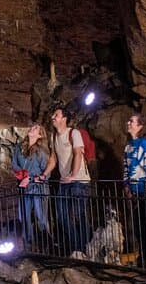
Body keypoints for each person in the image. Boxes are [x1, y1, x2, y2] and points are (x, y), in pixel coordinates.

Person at [45, 106, 92, 253]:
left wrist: (73, 175)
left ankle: (84, 248)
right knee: (61, 216)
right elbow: (53, 159)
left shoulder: (74, 133)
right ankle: (77, 248)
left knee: (79, 215)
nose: (53, 117)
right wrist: (44, 174)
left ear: (64, 119)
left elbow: (78, 154)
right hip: (65, 181)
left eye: (56, 115)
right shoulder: (53, 137)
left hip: (79, 181)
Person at [123, 113, 146, 270]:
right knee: (139, 227)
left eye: (132, 121)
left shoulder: (145, 144)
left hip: (144, 189)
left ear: (140, 126)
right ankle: (144, 259)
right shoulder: (129, 146)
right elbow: (126, 167)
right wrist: (127, 185)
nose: (128, 123)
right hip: (136, 190)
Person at [12, 123, 49, 245]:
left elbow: (46, 173)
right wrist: (22, 174)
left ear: (39, 135)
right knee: (23, 217)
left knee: (41, 217)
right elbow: (14, 164)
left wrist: (32, 178)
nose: (31, 128)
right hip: (25, 187)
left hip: (38, 187)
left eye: (35, 128)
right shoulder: (19, 147)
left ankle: (45, 243)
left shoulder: (42, 152)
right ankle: (28, 244)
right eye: (32, 127)